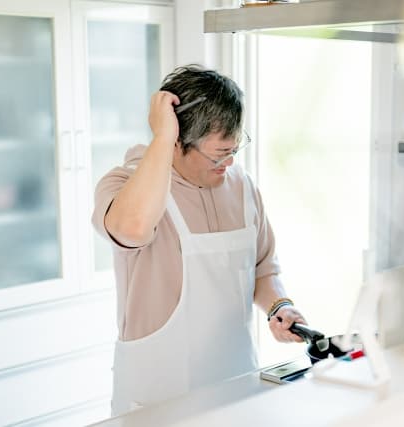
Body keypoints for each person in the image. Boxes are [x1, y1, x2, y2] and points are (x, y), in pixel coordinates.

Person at [92, 65, 307, 415]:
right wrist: (161, 137)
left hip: (235, 388)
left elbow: (263, 269)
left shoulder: (243, 187)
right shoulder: (123, 183)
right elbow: (131, 228)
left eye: (235, 149)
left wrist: (278, 306)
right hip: (157, 400)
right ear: (177, 141)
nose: (230, 161)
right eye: (218, 153)